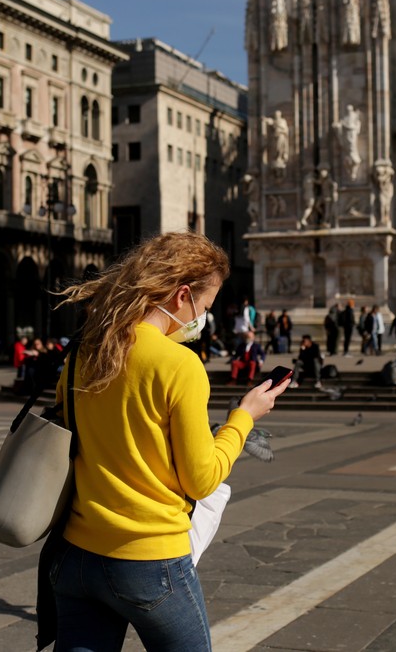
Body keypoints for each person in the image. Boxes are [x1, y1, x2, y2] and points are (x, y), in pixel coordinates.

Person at [46, 232, 289, 651]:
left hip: (78, 555)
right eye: (205, 307)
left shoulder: (86, 351)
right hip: (148, 560)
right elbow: (201, 479)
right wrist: (244, 418)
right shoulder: (180, 365)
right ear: (182, 297)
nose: (203, 319)